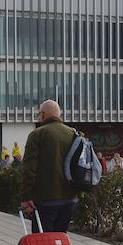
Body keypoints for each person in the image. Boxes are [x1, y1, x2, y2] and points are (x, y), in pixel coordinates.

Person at [20, 100, 79, 233]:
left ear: (43, 114)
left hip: (45, 199)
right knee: (60, 240)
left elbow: (29, 169)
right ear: (59, 114)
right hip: (70, 199)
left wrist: (26, 197)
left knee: (43, 244)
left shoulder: (37, 134)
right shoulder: (73, 134)